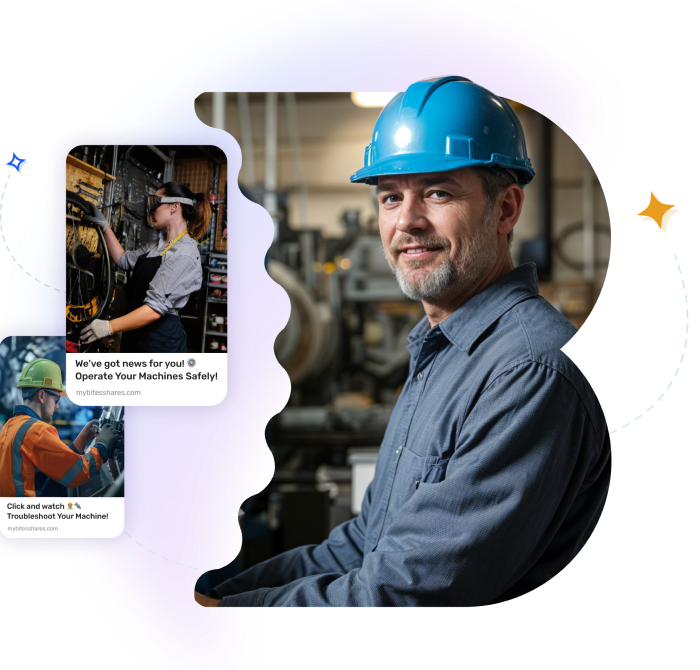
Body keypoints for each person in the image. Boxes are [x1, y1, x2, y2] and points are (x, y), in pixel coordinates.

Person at [199, 76, 611, 608]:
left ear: (506, 209)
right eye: (391, 197)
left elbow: (408, 589)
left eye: (438, 192)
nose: (408, 222)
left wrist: (227, 621)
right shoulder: (441, 349)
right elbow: (365, 543)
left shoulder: (527, 370)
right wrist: (217, 596)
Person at [79, 182, 211, 353]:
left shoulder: (185, 253)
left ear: (174, 207)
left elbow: (154, 309)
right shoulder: (156, 246)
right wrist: (104, 226)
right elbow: (123, 259)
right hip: (134, 335)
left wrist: (108, 326)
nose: (151, 210)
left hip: (160, 344)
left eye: (156, 202)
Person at [0, 359, 119, 497]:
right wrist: (103, 444)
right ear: (42, 395)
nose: (57, 406)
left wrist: (81, 441)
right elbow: (78, 473)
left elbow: (54, 465)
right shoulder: (37, 431)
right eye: (56, 399)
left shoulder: (10, 426)